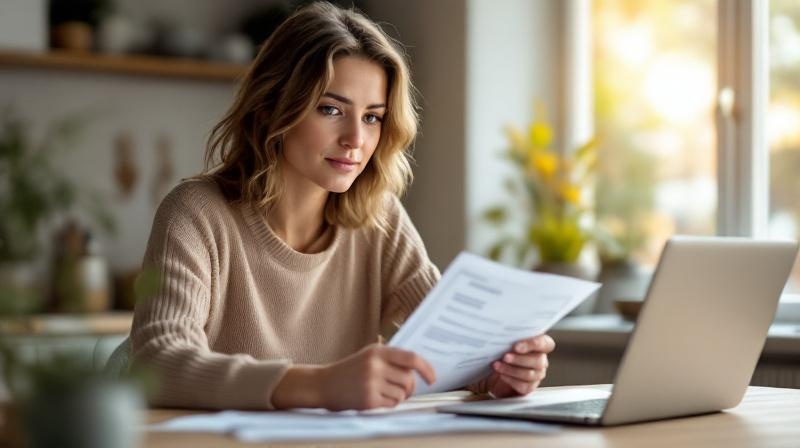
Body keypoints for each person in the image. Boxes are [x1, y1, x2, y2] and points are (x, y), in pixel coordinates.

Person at [130, 2, 555, 411]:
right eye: (331, 109)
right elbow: (157, 360)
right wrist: (321, 384)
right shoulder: (196, 213)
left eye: (372, 116)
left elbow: (454, 348)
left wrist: (499, 371)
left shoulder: (378, 216)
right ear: (270, 108)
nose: (356, 138)